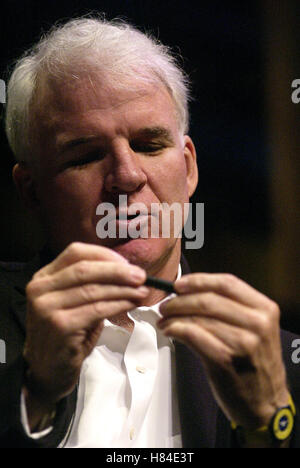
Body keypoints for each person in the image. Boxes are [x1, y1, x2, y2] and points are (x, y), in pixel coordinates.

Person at [0, 15, 299, 449]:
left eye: (149, 145)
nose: (126, 175)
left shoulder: (279, 364)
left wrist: (268, 425)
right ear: (30, 189)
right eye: (85, 155)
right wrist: (34, 396)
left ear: (190, 167)